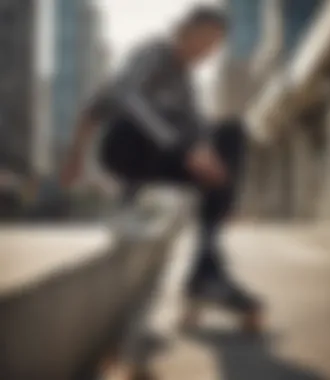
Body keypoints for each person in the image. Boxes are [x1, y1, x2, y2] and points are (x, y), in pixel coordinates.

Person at [61, 5, 263, 379]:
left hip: (158, 156)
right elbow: (119, 98)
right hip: (121, 146)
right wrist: (76, 156)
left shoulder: (187, 85)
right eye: (203, 42)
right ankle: (135, 199)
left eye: (214, 48)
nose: (206, 53)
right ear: (184, 31)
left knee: (229, 133)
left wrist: (224, 188)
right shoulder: (153, 51)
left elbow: (201, 133)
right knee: (182, 132)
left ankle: (205, 271)